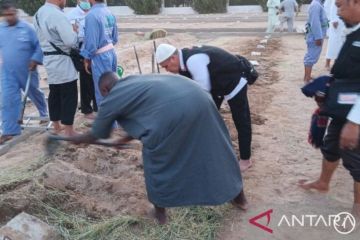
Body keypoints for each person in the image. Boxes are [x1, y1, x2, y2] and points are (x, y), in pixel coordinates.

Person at [68, 72, 248, 224]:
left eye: (103, 94)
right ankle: (240, 199)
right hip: (201, 99)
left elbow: (98, 133)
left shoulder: (112, 97)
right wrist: (123, 139)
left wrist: (78, 138)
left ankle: (160, 213)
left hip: (175, 113)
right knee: (218, 150)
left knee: (156, 161)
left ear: (105, 90)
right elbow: (150, 111)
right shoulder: (135, 81)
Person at [299, 0, 360, 221]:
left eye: (342, 6)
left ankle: (358, 207)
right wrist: (327, 89)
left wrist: (355, 123)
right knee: (331, 145)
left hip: (356, 115)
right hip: (343, 108)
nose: (338, 11)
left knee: (355, 157)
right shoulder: (355, 32)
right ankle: (323, 182)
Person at [155, 44, 253, 172]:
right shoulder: (182, 61)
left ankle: (246, 160)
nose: (167, 70)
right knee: (206, 118)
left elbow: (203, 92)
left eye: (166, 66)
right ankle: (209, 150)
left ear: (173, 58)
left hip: (234, 80)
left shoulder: (193, 60)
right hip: (216, 85)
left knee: (241, 120)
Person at [0, 2, 48, 144]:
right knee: (8, 99)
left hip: (27, 71)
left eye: (12, 14)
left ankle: (43, 113)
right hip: (8, 73)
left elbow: (39, 46)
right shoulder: (1, 29)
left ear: (17, 13)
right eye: (7, 15)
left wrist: (35, 59)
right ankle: (10, 130)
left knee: (34, 93)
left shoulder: (27, 28)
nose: (10, 17)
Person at [34, 0, 79, 136]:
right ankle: (69, 131)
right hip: (62, 59)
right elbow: (70, 41)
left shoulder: (38, 13)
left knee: (54, 92)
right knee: (69, 94)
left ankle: (56, 126)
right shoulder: (57, 15)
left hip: (48, 58)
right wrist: (74, 31)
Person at [81, 0, 118, 106]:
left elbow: (91, 43)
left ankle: (107, 122)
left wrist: (86, 57)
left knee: (103, 91)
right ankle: (114, 120)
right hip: (111, 52)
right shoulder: (109, 12)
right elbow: (115, 38)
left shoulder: (91, 15)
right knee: (112, 89)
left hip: (100, 56)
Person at [67, 0, 97, 120]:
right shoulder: (71, 15)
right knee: (86, 79)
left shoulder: (95, 11)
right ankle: (87, 109)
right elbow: (72, 36)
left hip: (95, 48)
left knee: (98, 78)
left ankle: (97, 107)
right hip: (81, 50)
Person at [303, 0, 328, 82]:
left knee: (313, 55)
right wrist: (318, 37)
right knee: (311, 56)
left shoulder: (318, 4)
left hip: (317, 34)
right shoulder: (316, 5)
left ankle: (308, 76)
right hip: (315, 35)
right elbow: (315, 22)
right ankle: (307, 78)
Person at [324, 0, 345, 70]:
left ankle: (337, 63)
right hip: (336, 25)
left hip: (343, 24)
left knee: (340, 46)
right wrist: (334, 20)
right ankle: (327, 63)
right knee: (332, 44)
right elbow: (332, 9)